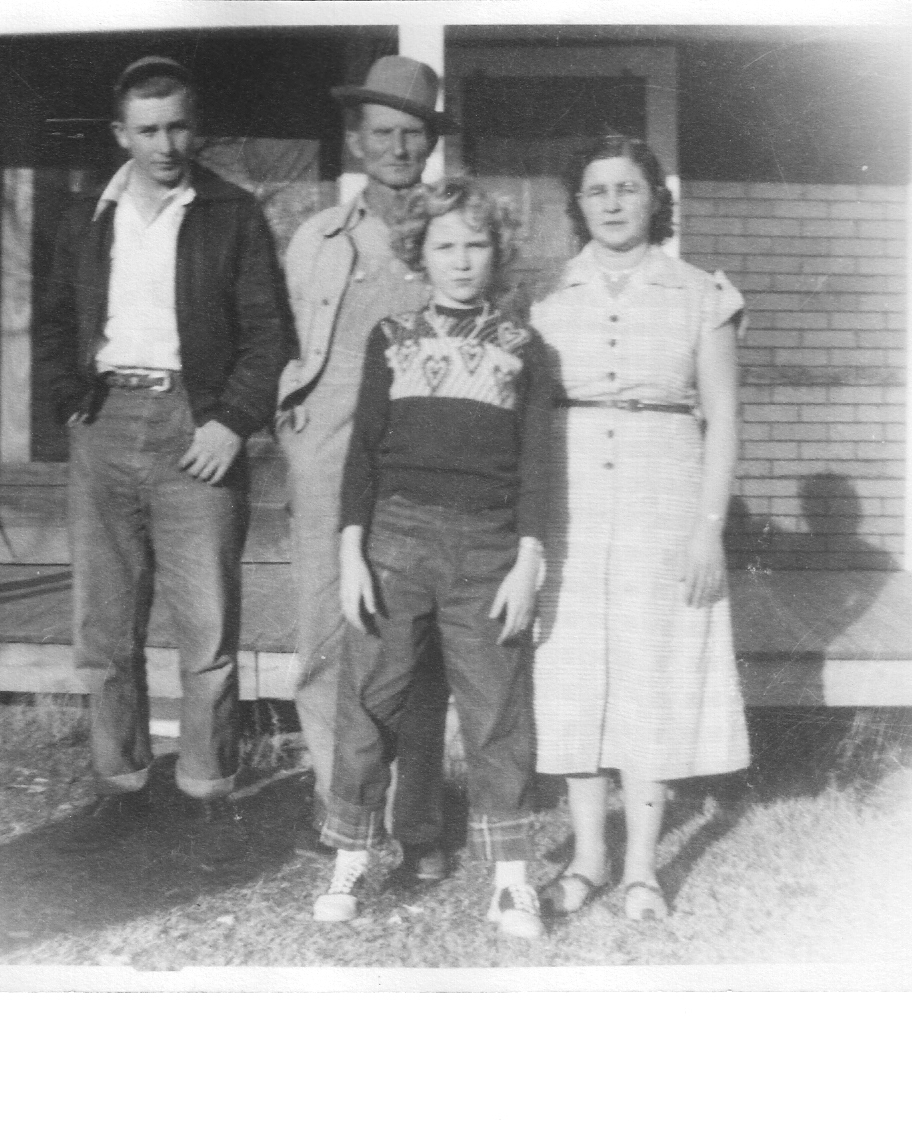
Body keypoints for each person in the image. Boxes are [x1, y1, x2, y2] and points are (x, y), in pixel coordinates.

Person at [39, 56, 294, 863]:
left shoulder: (232, 213)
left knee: (207, 627)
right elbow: (50, 325)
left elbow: (267, 336)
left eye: (178, 125)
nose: (164, 143)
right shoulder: (87, 216)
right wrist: (68, 401)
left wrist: (229, 423)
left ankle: (205, 793)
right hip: (105, 418)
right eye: (147, 129)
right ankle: (119, 787)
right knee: (105, 626)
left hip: (196, 427)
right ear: (121, 134)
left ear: (197, 125)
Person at [313, 179, 551, 939]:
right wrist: (352, 549)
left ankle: (512, 880)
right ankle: (350, 854)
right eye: (445, 245)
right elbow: (362, 454)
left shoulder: (525, 347)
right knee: (371, 700)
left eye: (475, 244)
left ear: (497, 253)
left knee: (496, 710)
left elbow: (541, 464)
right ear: (420, 254)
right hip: (395, 539)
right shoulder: (392, 338)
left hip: (488, 547)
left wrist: (529, 558)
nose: (461, 259)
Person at [529, 135, 749, 922]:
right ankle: (586, 860)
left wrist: (708, 531)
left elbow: (722, 418)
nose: (614, 203)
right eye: (597, 190)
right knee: (575, 671)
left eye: (629, 188)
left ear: (657, 197)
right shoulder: (547, 296)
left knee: (653, 669)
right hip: (570, 498)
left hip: (666, 492)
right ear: (578, 204)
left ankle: (641, 869)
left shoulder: (701, 293)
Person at [277, 56, 454, 879]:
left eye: (412, 133)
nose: (396, 147)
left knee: (411, 633)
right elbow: (283, 343)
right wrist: (292, 421)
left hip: (419, 446)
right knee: (324, 628)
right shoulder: (316, 237)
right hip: (326, 445)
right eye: (381, 132)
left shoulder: (453, 229)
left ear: (429, 143)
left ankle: (417, 818)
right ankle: (335, 803)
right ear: (357, 140)